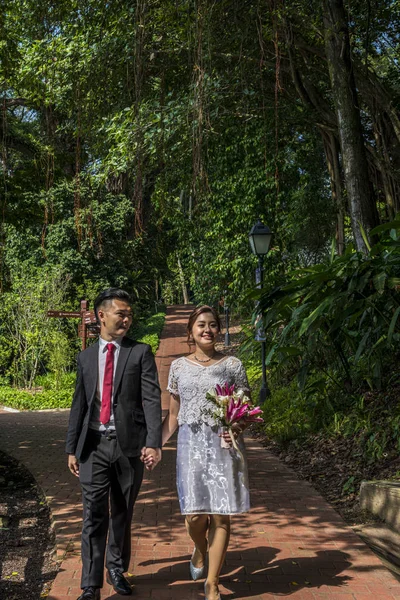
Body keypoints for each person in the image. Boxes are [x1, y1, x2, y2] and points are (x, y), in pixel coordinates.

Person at [66, 288, 162, 600]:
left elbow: (150, 399)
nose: (126, 319)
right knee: (93, 512)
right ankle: (90, 585)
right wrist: (71, 448)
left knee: (122, 510)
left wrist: (154, 442)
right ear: (101, 315)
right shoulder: (84, 357)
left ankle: (117, 569)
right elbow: (79, 405)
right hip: (92, 445)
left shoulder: (140, 352)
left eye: (129, 314)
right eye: (121, 313)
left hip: (129, 447)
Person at [150, 305, 250, 600]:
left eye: (213, 325)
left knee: (221, 516)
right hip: (191, 447)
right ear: (191, 331)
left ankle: (212, 583)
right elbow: (173, 416)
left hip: (224, 446)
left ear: (219, 330)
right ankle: (199, 548)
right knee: (194, 516)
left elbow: (244, 411)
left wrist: (235, 429)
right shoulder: (179, 367)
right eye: (201, 325)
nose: (208, 329)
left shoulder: (233, 365)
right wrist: (156, 445)